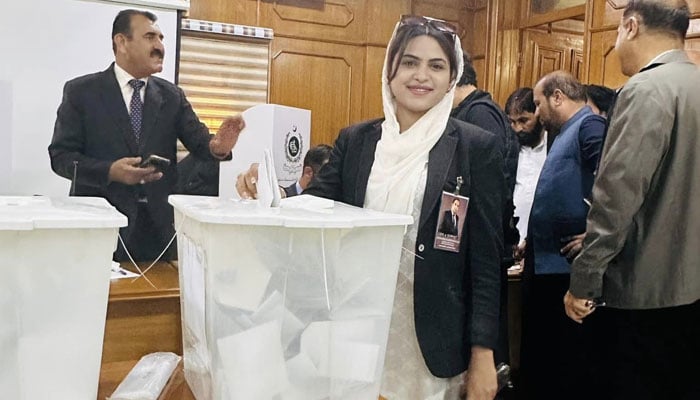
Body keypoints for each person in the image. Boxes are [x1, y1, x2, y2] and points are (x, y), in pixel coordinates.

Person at [303, 16, 504, 400]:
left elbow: (485, 263)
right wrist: (268, 195)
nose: (421, 76)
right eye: (410, 62)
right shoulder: (357, 141)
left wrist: (483, 353)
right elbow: (315, 207)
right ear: (391, 69)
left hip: (432, 341)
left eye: (436, 65)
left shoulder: (474, 147)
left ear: (452, 77)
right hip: (358, 328)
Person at [565, 1, 700, 399]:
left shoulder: (645, 89)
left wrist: (584, 281)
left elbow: (616, 199)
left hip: (642, 293)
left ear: (630, 25)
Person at [48, 9, 244, 262]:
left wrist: (218, 146)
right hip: (100, 224)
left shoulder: (171, 95)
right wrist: (110, 171)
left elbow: (200, 144)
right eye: (151, 37)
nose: (160, 46)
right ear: (122, 42)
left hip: (158, 230)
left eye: (161, 38)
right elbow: (61, 157)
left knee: (155, 300)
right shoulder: (82, 92)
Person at [518, 71, 606, 400]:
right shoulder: (566, 132)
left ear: (558, 97)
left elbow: (611, 186)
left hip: (565, 269)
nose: (538, 113)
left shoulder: (589, 125)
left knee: (562, 365)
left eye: (539, 104)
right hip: (546, 262)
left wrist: (594, 233)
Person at [450, 52, 517, 370]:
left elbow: (464, 191)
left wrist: (448, 235)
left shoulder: (479, 116)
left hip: (478, 245)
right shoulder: (477, 111)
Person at [503, 87, 548, 262]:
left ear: (537, 114)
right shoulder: (509, 149)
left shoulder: (552, 145)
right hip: (514, 241)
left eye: (524, 120)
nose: (517, 128)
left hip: (542, 243)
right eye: (512, 122)